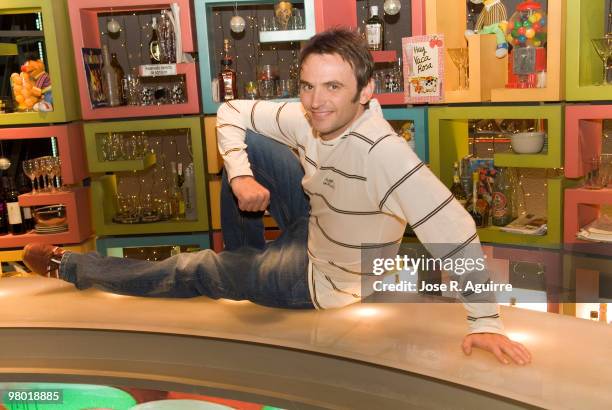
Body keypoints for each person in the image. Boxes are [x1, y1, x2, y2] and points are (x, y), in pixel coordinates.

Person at [23, 28, 530, 366]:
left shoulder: (385, 157)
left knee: (196, 269)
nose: (316, 102)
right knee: (257, 141)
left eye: (332, 88)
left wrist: (484, 321)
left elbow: (456, 233)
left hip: (325, 279)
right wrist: (241, 177)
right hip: (317, 221)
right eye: (308, 87)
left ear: (367, 90)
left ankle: (75, 268)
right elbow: (229, 110)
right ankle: (243, 252)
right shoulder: (309, 115)